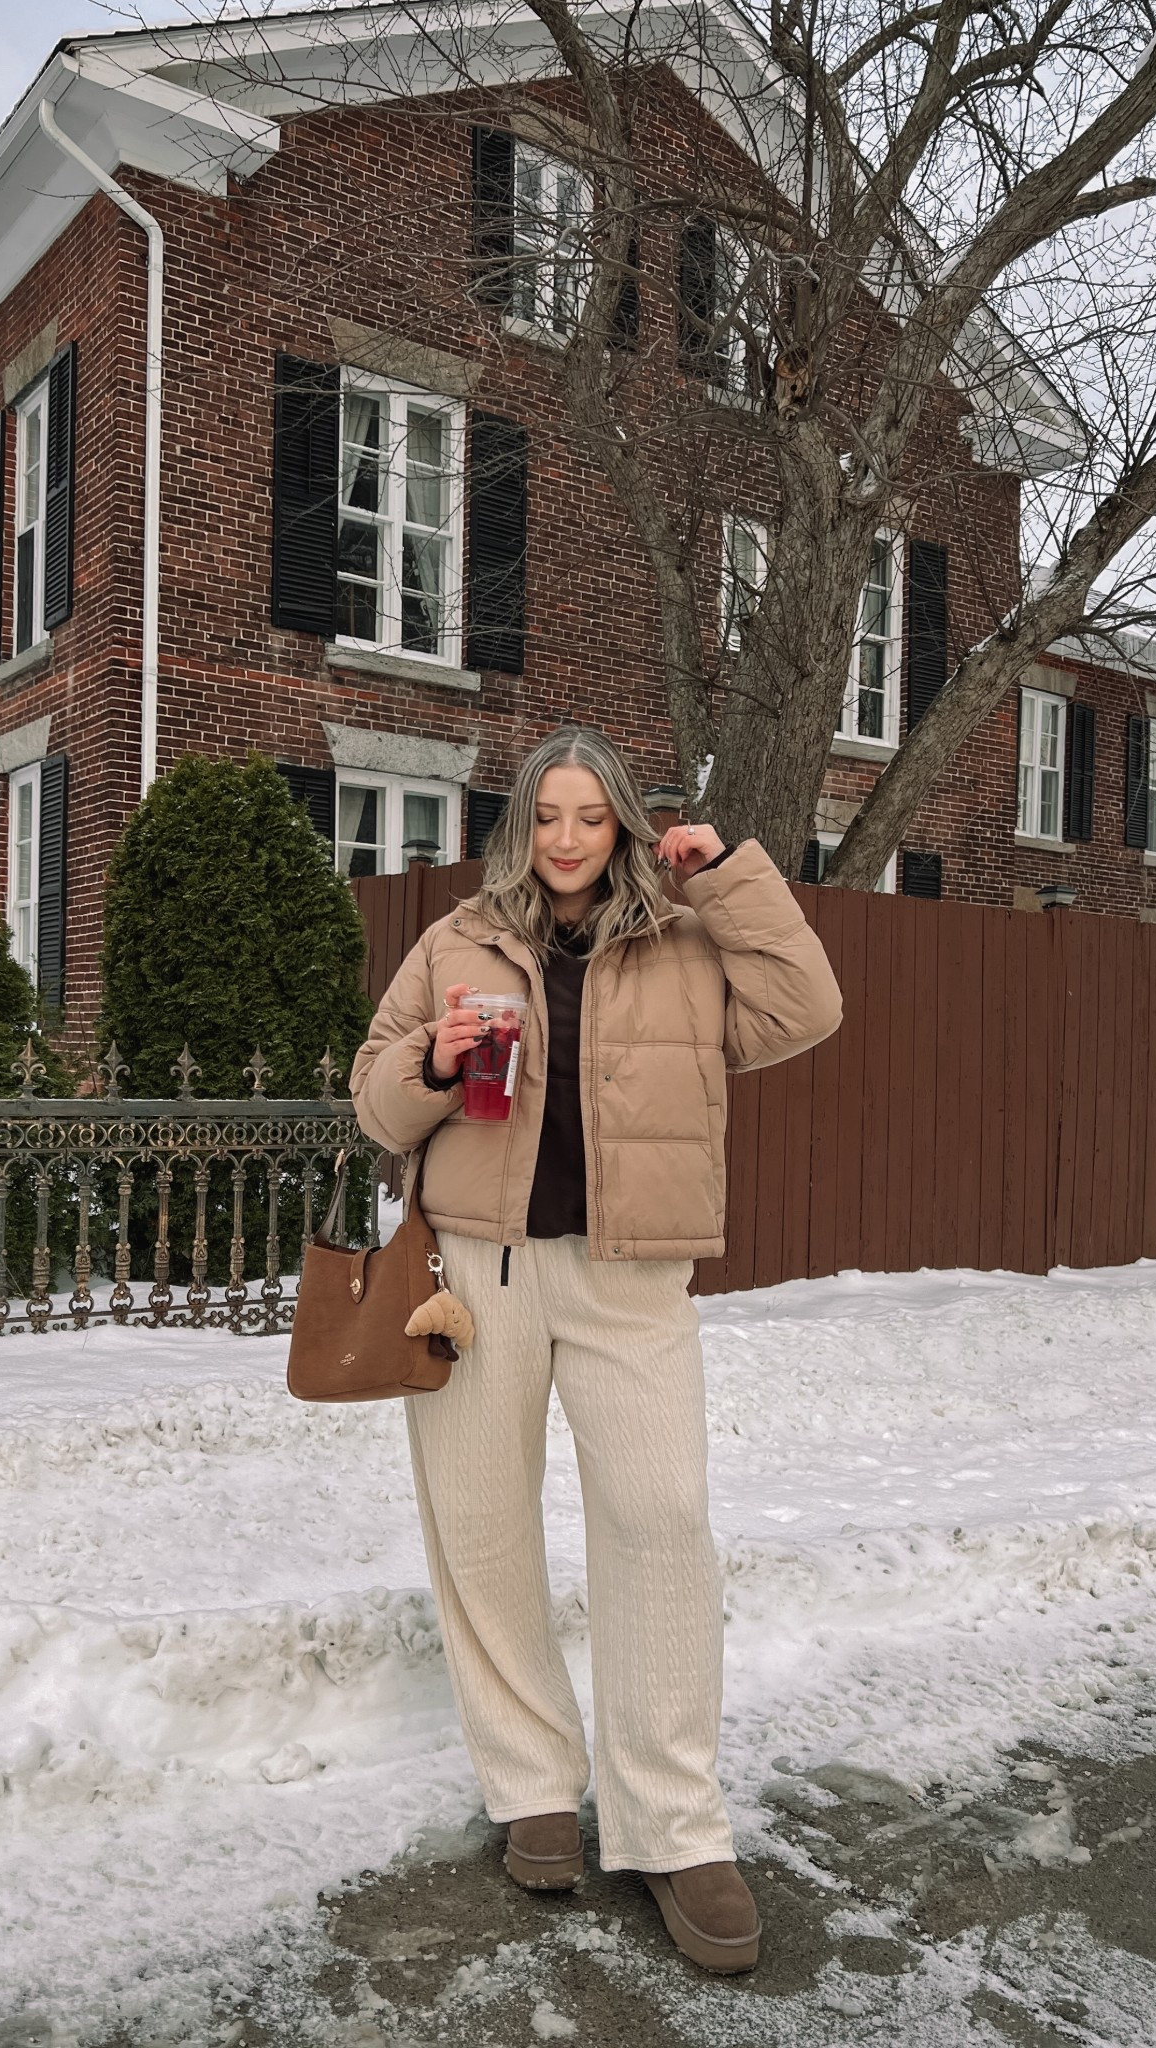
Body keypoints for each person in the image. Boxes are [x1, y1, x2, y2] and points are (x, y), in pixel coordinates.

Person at [349, 725, 841, 1973]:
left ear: (624, 823)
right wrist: (432, 1060)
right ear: (522, 824)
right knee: (482, 1530)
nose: (568, 837)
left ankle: (675, 1824)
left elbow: (808, 1006)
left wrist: (725, 872)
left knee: (662, 1520)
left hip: (631, 1281)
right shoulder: (456, 939)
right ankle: (532, 1789)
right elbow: (370, 1096)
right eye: (547, 814)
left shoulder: (685, 938)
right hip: (475, 1275)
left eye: (592, 814)